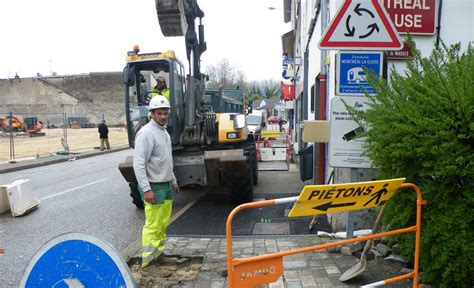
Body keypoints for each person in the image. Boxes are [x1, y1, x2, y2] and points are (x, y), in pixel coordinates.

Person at [133, 95, 179, 268]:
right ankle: (148, 260)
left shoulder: (164, 132)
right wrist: (146, 189)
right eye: (159, 113)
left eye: (165, 113)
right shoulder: (146, 133)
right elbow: (138, 164)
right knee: (152, 224)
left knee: (162, 223)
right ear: (152, 113)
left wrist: (173, 180)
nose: (163, 116)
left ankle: (158, 254)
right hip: (154, 186)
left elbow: (166, 159)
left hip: (166, 185)